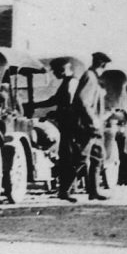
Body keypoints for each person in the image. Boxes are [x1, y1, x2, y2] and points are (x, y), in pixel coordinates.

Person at [26, 58, 80, 202]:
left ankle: (67, 189)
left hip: (71, 126)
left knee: (71, 158)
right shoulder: (66, 82)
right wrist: (35, 105)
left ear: (62, 70)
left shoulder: (72, 83)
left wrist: (53, 113)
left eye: (55, 71)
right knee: (66, 157)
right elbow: (55, 100)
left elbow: (69, 106)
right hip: (66, 125)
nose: (54, 74)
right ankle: (64, 190)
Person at [72, 52, 112, 201]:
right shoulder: (89, 77)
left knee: (97, 157)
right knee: (81, 158)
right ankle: (65, 189)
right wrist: (93, 120)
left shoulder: (93, 78)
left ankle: (94, 191)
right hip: (88, 126)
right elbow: (82, 101)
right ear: (102, 65)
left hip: (95, 125)